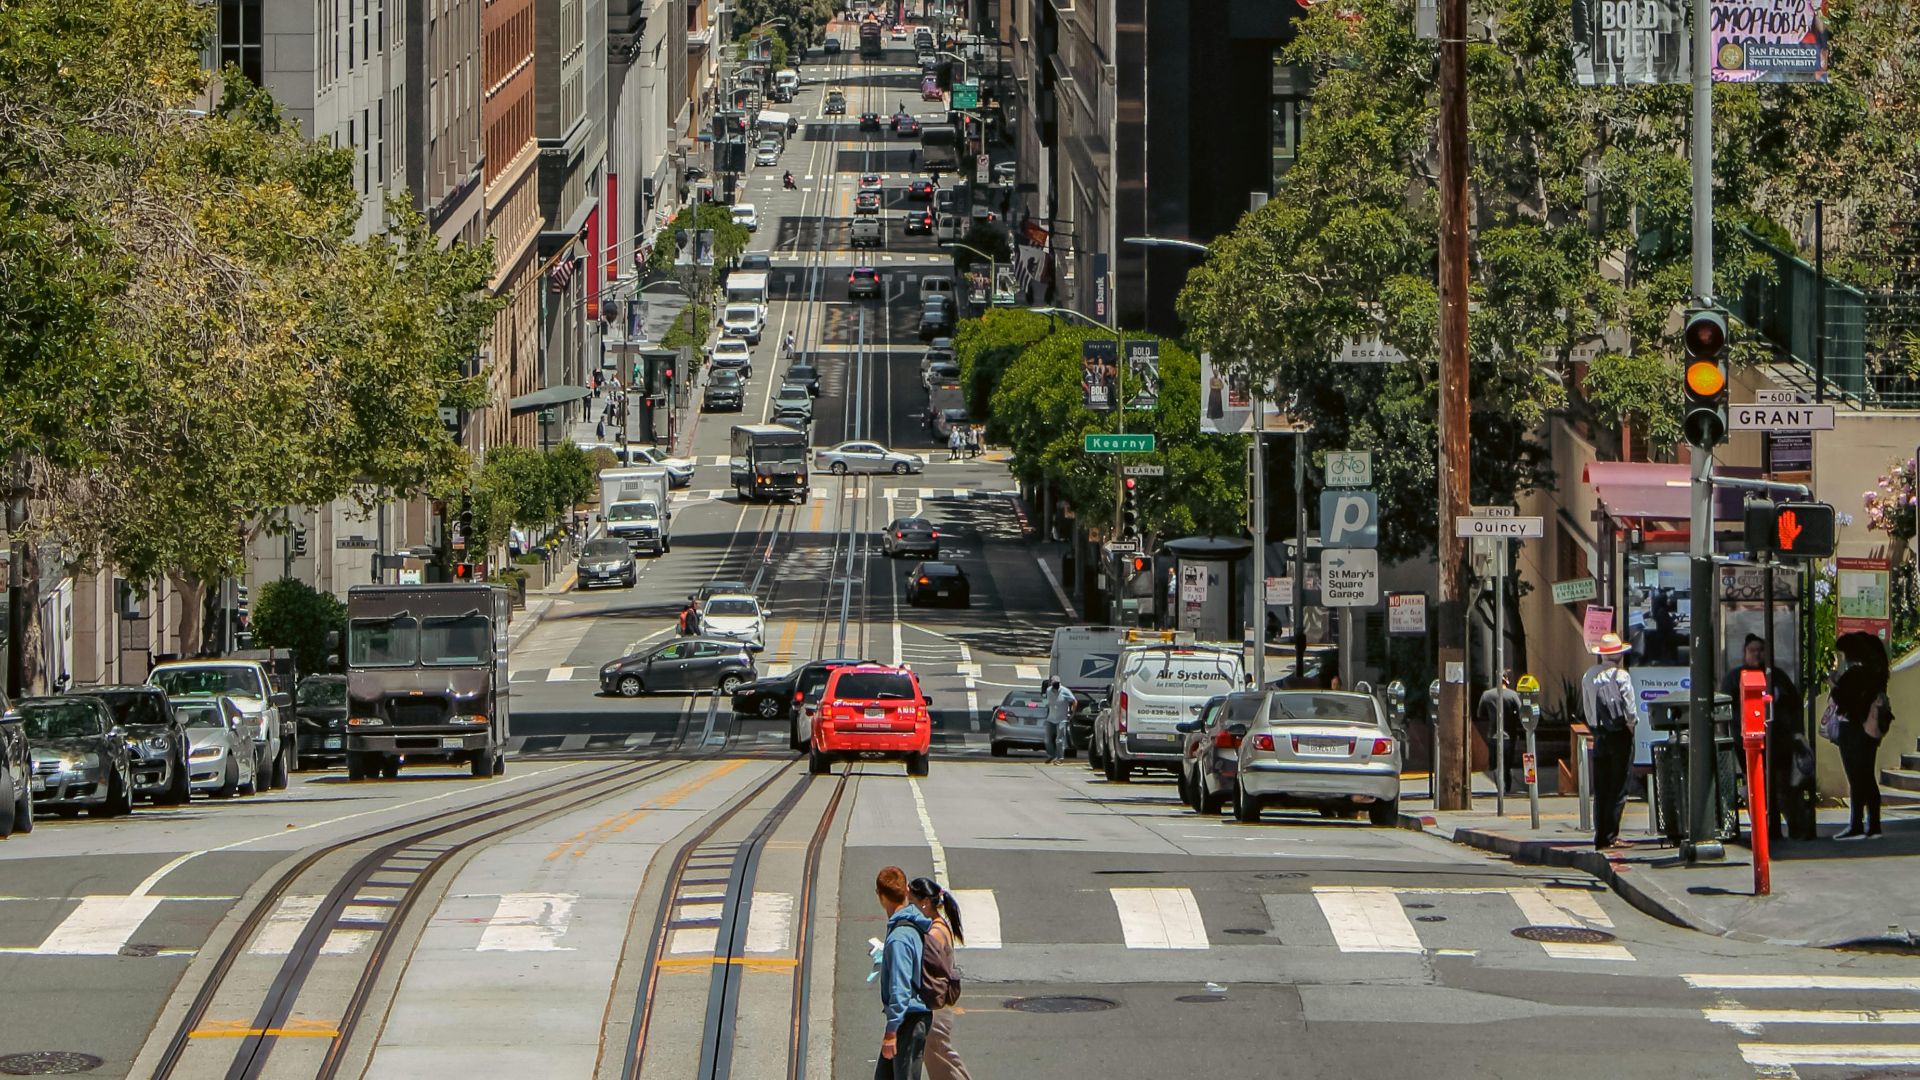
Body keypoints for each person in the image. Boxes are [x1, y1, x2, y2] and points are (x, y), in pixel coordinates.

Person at [1719, 633, 1808, 839]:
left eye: (1761, 650)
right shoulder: (1734, 677)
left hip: (1779, 743)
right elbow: (1724, 710)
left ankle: (1790, 827)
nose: (1757, 655)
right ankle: (1762, 829)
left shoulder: (1777, 677)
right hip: (1747, 743)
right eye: (1753, 651)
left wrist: (1796, 733)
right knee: (1756, 787)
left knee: (1781, 787)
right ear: (1745, 653)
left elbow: (1794, 704)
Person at [873, 866, 933, 1078]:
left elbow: (901, 988)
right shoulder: (912, 921)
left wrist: (891, 1031)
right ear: (906, 890)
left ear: (880, 896)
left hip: (908, 1018)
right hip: (907, 1018)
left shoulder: (899, 937)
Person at [907, 878, 969, 1080]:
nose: (910, 907)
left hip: (936, 1008)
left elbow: (927, 968)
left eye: (912, 902)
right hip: (941, 1005)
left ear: (924, 902)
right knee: (943, 1059)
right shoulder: (941, 926)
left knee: (942, 1062)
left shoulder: (933, 933)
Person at [1830, 631, 1890, 840]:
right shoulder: (1878, 672)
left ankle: (1857, 823)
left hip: (1852, 728)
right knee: (1867, 776)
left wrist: (1833, 684)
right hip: (1870, 729)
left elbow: (1842, 699)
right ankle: (1873, 823)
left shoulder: (1855, 673)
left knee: (1856, 777)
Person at [1581, 632, 1637, 850]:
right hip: (1619, 734)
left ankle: (1601, 835)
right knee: (1619, 786)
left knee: (1602, 787)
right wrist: (1630, 728)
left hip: (1599, 735)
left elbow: (1586, 708)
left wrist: (1594, 728)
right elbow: (1630, 711)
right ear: (1619, 654)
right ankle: (1612, 835)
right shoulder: (1621, 676)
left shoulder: (1589, 675)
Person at [1476, 671, 1523, 794]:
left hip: (1492, 735)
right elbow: (1522, 713)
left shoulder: (1487, 695)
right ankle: (1506, 787)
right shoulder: (1513, 695)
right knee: (1507, 765)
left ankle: (1499, 787)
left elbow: (1480, 714)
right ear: (1506, 680)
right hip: (1509, 735)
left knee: (1495, 765)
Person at [1042, 677, 1075, 764]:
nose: (1056, 686)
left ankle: (1060, 758)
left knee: (1059, 740)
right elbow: (1046, 701)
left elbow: (1074, 701)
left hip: (1062, 719)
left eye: (1057, 684)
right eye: (1054, 684)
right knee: (1047, 740)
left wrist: (1072, 713)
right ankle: (1051, 755)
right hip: (1051, 718)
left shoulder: (1065, 691)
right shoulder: (1048, 690)